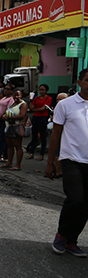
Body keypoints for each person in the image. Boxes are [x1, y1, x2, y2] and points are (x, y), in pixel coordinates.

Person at [47, 68, 88, 257]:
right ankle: (62, 235)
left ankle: (72, 240)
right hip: (71, 159)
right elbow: (56, 134)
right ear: (79, 82)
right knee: (75, 199)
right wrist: (51, 162)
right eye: (87, 80)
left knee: (85, 205)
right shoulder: (66, 105)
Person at [0, 89, 28, 171]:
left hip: (17, 126)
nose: (16, 97)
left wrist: (10, 117)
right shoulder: (12, 104)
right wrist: (4, 116)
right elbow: (6, 112)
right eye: (14, 95)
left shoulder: (23, 104)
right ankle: (9, 162)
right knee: (10, 145)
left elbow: (22, 115)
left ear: (21, 95)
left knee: (18, 146)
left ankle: (18, 165)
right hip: (9, 126)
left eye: (17, 95)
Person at [26, 84, 53, 161]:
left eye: (43, 90)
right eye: (40, 90)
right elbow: (31, 107)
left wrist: (34, 109)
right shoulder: (37, 98)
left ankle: (41, 154)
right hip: (35, 117)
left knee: (43, 136)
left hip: (43, 117)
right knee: (34, 135)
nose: (41, 91)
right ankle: (31, 153)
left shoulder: (48, 98)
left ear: (46, 90)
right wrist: (30, 100)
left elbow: (42, 109)